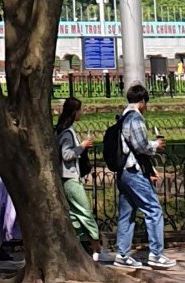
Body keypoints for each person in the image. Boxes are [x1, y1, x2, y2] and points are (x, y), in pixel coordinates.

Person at [110, 84, 175, 269]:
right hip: (133, 172)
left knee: (127, 213)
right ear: (142, 101)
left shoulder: (123, 117)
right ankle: (156, 254)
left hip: (124, 171)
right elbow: (141, 146)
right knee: (153, 210)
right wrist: (156, 145)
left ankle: (122, 254)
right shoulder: (135, 119)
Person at [55, 97, 100, 257]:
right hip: (70, 177)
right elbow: (67, 154)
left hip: (67, 177)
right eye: (80, 110)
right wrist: (82, 146)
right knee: (85, 210)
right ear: (74, 112)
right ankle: (96, 244)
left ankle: (81, 244)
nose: (82, 112)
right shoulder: (67, 133)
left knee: (75, 213)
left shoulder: (62, 130)